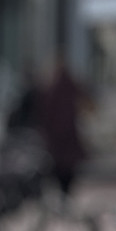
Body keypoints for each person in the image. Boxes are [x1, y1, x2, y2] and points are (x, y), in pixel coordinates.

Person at [35, 58, 90, 197]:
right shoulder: (67, 87)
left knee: (61, 169)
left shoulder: (54, 89)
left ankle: (62, 196)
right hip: (66, 138)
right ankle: (64, 196)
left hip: (61, 140)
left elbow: (46, 114)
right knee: (65, 169)